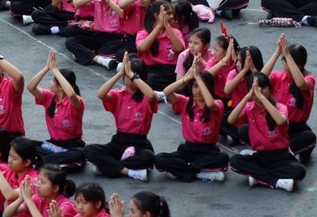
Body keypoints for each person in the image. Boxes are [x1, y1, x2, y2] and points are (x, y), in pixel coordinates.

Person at [83, 53, 157, 182]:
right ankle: (128, 172)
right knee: (89, 150)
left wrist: (132, 74)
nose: (128, 81)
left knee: (148, 157)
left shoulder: (146, 96)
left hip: (140, 142)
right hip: (119, 140)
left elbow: (152, 96)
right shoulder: (119, 94)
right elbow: (100, 94)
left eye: (132, 78)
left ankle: (105, 166)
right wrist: (119, 73)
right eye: (126, 77)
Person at [228, 72, 306, 192]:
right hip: (261, 155)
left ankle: (257, 176)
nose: (260, 91)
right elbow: (231, 119)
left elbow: (280, 121)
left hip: (281, 156)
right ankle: (277, 181)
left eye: (263, 87)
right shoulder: (249, 107)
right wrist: (247, 97)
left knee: (300, 171)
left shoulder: (280, 107)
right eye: (256, 89)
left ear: (270, 88)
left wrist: (262, 98)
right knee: (234, 162)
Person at [154, 63, 229, 182]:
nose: (198, 91)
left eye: (201, 87)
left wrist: (198, 78)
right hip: (187, 149)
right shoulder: (185, 102)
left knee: (223, 158)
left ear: (209, 89)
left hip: (208, 150)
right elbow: (167, 92)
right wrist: (186, 78)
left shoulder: (217, 104)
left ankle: (183, 172)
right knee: (159, 159)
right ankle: (200, 173)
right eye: (195, 86)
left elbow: (210, 104)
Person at [261, 34, 316, 164]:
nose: (286, 65)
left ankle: (276, 153)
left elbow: (301, 84)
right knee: (245, 129)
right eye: (284, 61)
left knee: (309, 137)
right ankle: (282, 154)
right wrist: (277, 53)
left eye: (289, 62)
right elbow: (261, 78)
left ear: (300, 65)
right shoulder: (277, 77)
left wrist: (288, 54)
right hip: (275, 125)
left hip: (295, 129)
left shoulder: (308, 79)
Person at [27, 50, 87, 170]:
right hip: (53, 145)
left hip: (72, 146)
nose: (50, 82)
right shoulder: (49, 97)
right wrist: (47, 68)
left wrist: (55, 70)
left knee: (79, 154)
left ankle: (45, 162)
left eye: (53, 80)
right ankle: (52, 163)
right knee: (26, 145)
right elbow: (31, 87)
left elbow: (70, 94)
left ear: (60, 86)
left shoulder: (76, 102)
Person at [4, 164, 76, 217]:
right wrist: (21, 198)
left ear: (55, 188)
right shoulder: (38, 198)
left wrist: (29, 201)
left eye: (42, 182)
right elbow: (6, 215)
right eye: (38, 181)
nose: (37, 185)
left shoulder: (65, 207)